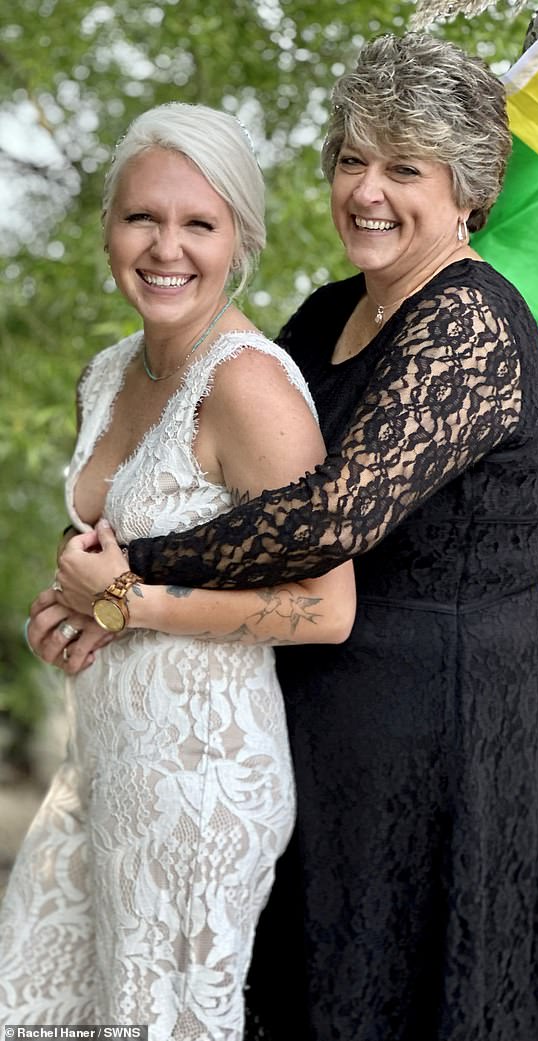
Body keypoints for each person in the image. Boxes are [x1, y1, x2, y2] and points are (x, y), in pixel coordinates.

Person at [53, 31, 538, 1041]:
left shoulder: (470, 320)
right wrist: (93, 578)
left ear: (468, 191)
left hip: (440, 726)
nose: (365, 191)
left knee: (422, 990)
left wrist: (129, 574)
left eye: (402, 167)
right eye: (350, 159)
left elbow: (332, 514)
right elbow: (221, 481)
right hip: (313, 709)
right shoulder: (330, 310)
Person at [0, 103, 356, 1038]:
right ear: (109, 225)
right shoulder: (108, 372)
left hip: (202, 781)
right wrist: (67, 613)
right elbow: (125, 560)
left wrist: (126, 602)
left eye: (199, 223)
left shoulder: (250, 385)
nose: (167, 247)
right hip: (104, 764)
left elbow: (326, 606)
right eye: (142, 218)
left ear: (239, 237)